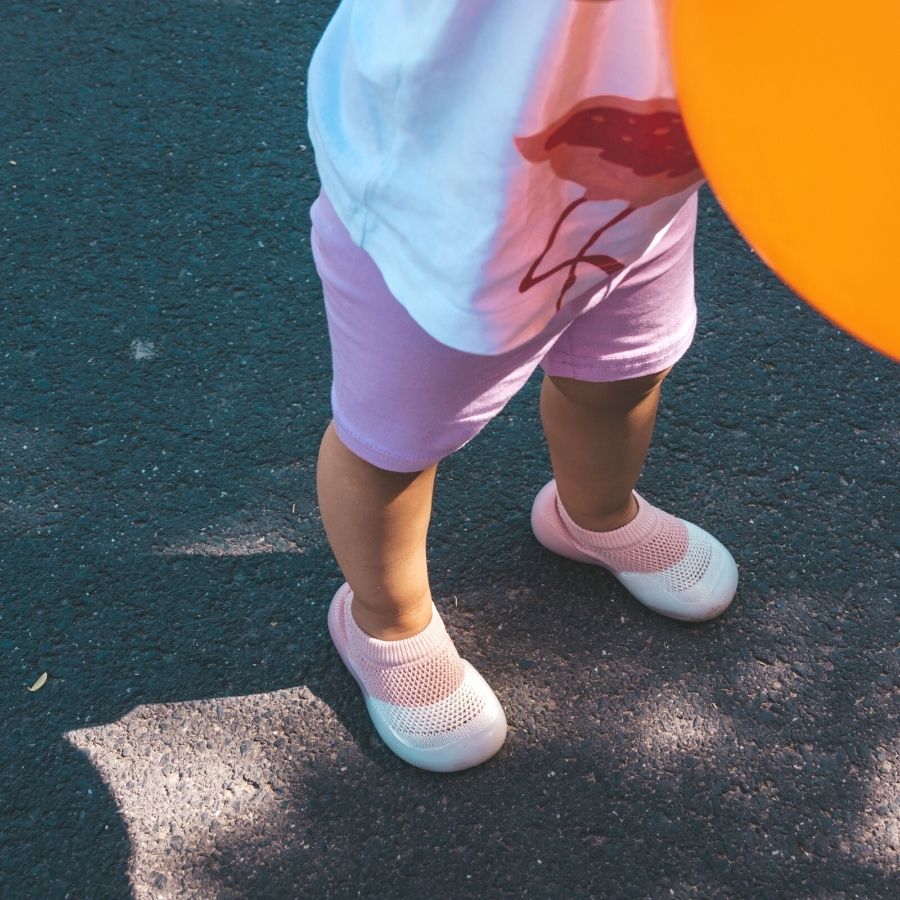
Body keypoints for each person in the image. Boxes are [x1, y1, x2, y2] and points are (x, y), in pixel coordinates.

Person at [306, 0, 738, 772]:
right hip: (447, 199)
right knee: (392, 445)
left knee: (626, 372)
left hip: (647, 187)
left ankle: (594, 514)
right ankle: (386, 622)